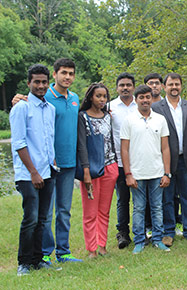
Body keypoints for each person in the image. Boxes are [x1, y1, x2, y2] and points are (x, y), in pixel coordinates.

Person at [12, 58, 82, 263]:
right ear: (55, 75)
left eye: (71, 73)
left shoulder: (72, 99)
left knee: (62, 211)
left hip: (64, 164)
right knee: (41, 215)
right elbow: (21, 135)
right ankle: (41, 254)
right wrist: (15, 99)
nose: (67, 77)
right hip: (42, 167)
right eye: (63, 73)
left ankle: (63, 252)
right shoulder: (38, 101)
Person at [10, 64, 60, 275]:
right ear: (29, 82)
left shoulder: (50, 109)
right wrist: (33, 172)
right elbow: (19, 143)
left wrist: (52, 165)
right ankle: (24, 262)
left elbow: (48, 140)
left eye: (44, 82)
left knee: (43, 218)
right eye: (36, 82)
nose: (40, 86)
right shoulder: (21, 108)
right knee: (29, 218)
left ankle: (39, 259)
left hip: (47, 171)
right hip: (28, 173)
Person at [152, 73, 187, 246]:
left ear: (181, 86)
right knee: (167, 197)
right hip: (165, 161)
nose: (174, 87)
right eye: (170, 84)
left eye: (177, 84)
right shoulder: (156, 108)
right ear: (164, 87)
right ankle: (168, 231)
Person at [121, 85, 171, 253]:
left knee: (157, 207)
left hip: (157, 172)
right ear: (136, 100)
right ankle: (139, 241)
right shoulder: (128, 120)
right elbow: (124, 149)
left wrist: (166, 173)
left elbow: (165, 148)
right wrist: (128, 174)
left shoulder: (160, 119)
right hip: (137, 173)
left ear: (152, 98)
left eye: (147, 97)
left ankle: (158, 239)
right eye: (141, 97)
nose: (145, 100)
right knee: (139, 208)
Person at [77, 83, 119, 258]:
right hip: (91, 169)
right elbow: (81, 145)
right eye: (98, 96)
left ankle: (102, 246)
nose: (102, 99)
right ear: (90, 97)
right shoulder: (82, 117)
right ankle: (91, 249)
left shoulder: (108, 116)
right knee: (90, 211)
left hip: (110, 166)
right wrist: (85, 170)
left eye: (104, 96)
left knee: (104, 210)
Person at [143, 73, 183, 237]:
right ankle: (149, 226)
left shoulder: (166, 105)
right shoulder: (144, 105)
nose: (154, 86)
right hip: (151, 156)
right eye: (150, 83)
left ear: (162, 86)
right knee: (149, 195)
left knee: (173, 194)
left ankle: (173, 223)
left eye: (156, 83)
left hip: (171, 156)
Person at [109, 73, 137, 249]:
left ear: (133, 86)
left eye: (128, 85)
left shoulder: (141, 104)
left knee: (142, 199)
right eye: (122, 85)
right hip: (119, 161)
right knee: (122, 199)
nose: (125, 88)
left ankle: (142, 231)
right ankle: (123, 233)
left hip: (140, 160)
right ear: (117, 87)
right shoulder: (109, 107)